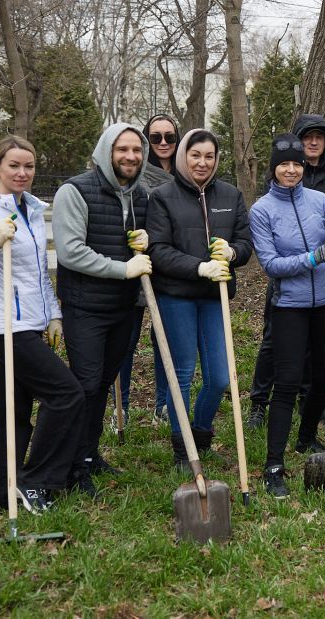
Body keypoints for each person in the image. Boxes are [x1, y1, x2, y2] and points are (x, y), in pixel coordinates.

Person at [0, 136, 83, 514]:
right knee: (66, 394)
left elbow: (37, 272)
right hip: (5, 325)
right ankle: (35, 480)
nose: (23, 173)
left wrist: (54, 313)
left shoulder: (32, 210)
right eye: (14, 166)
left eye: (29, 166)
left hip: (32, 322)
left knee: (10, 409)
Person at [51, 122, 153, 496]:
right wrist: (122, 269)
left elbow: (146, 247)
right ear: (106, 152)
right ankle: (71, 468)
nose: (130, 156)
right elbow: (71, 251)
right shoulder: (75, 191)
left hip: (124, 309)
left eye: (136, 150)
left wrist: (148, 241)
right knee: (86, 385)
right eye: (122, 149)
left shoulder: (141, 196)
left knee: (103, 383)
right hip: (86, 308)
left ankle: (90, 455)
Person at [146, 128, 253, 469]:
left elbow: (246, 243)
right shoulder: (162, 196)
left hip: (214, 297)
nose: (202, 163)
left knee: (220, 377)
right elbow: (159, 250)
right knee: (182, 374)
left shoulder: (230, 195)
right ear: (183, 157)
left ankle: (201, 433)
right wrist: (200, 268)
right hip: (176, 296)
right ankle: (182, 448)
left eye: (209, 156)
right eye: (195, 156)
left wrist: (233, 252)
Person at [249, 134, 325, 498]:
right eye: (284, 164)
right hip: (289, 305)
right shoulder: (261, 211)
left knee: (323, 376)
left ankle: (307, 438)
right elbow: (272, 264)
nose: (291, 170)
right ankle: (274, 464)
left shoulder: (321, 200)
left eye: (296, 164)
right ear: (274, 168)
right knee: (288, 381)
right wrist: (314, 257)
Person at [117, 114, 179, 423]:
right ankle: (121, 406)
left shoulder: (185, 174)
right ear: (146, 141)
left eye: (170, 137)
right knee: (126, 339)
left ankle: (164, 406)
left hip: (168, 267)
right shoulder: (133, 175)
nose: (164, 143)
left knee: (165, 339)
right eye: (156, 138)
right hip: (135, 264)